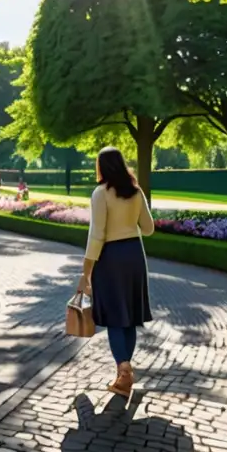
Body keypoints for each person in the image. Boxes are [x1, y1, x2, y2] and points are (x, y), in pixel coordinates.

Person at [78, 146, 155, 398]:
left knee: (114, 316)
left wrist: (85, 272)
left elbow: (97, 234)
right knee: (129, 315)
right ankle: (125, 372)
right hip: (134, 255)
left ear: (102, 167)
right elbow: (148, 228)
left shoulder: (101, 193)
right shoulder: (136, 191)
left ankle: (123, 371)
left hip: (110, 258)